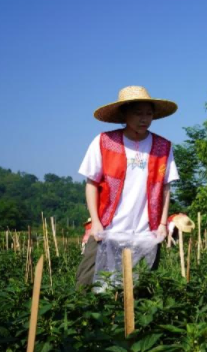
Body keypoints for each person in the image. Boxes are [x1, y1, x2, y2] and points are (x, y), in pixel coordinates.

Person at [75, 86, 179, 288]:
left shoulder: (162, 147)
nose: (144, 119)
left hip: (145, 233)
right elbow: (91, 184)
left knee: (140, 290)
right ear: (124, 113)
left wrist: (163, 224)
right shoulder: (104, 142)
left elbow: (166, 187)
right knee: (86, 285)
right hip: (107, 229)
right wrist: (95, 222)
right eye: (138, 113)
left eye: (149, 114)